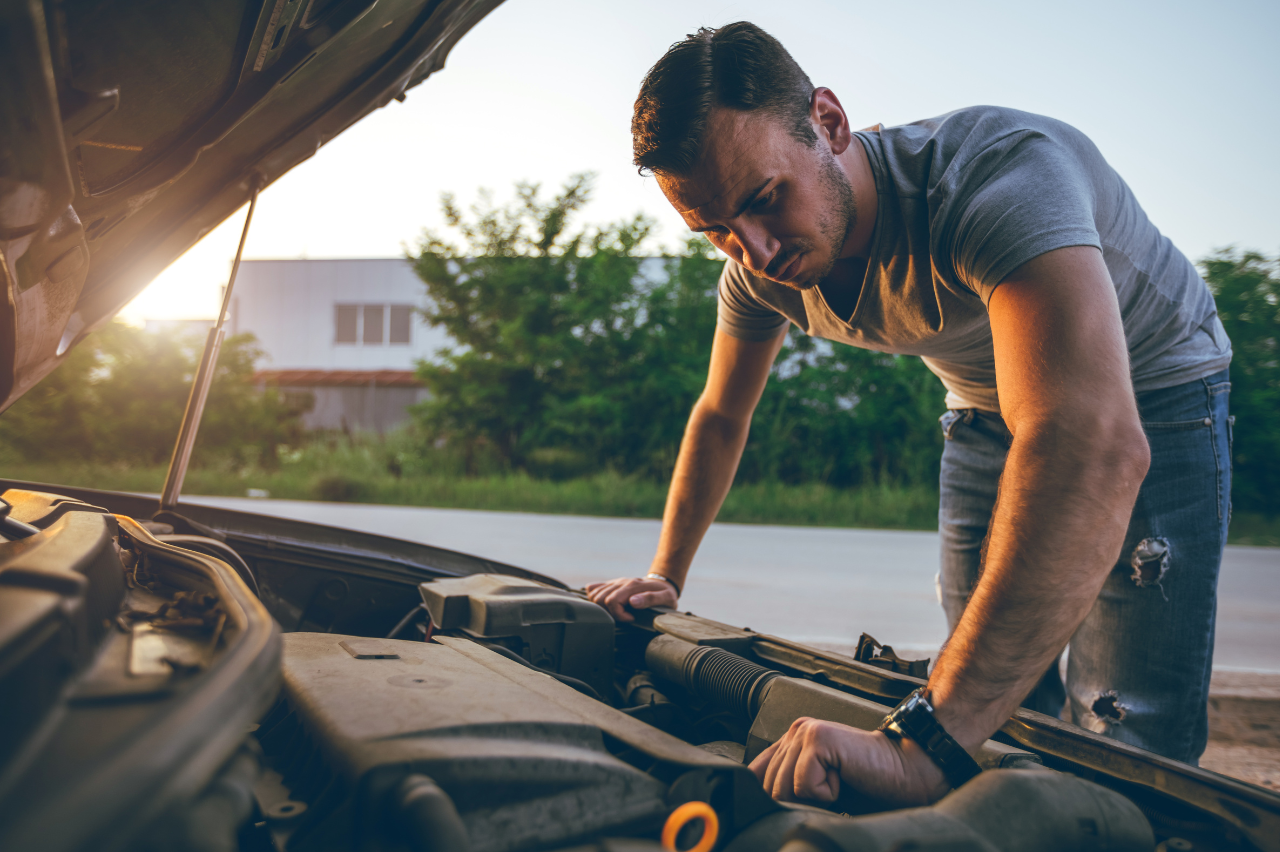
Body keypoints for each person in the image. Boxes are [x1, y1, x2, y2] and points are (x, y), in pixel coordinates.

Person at [585, 22, 1233, 808]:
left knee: (1121, 733)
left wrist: (916, 745)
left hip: (1153, 388)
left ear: (828, 122)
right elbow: (721, 414)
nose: (754, 252)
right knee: (990, 692)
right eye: (714, 231)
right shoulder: (759, 272)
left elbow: (1086, 442)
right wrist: (666, 574)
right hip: (984, 401)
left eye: (764, 201)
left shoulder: (994, 179)